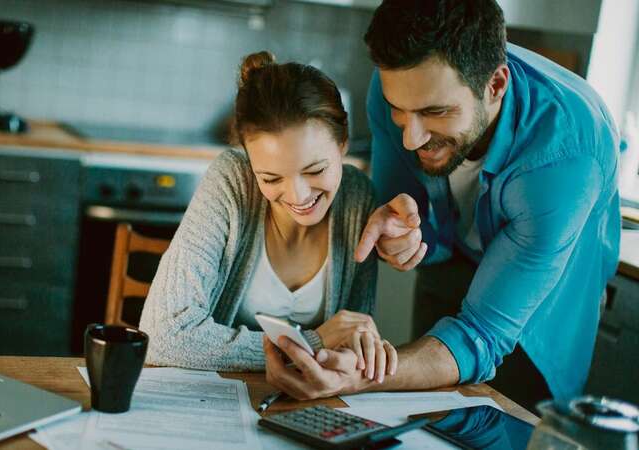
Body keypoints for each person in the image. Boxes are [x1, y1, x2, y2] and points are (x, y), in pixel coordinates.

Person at [264, 0, 621, 412]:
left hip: (544, 306)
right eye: (400, 111)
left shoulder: (564, 161)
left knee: (509, 421)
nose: (412, 139)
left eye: (435, 112)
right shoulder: (394, 94)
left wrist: (358, 376)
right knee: (429, 413)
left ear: (496, 86)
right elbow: (412, 222)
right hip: (454, 261)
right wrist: (407, 239)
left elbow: (482, 337)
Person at [139, 51, 397, 380]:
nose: (298, 196)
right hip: (212, 399)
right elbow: (164, 337)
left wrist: (357, 357)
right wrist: (310, 343)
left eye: (315, 170)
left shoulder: (358, 198)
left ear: (343, 144)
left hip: (303, 406)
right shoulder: (232, 180)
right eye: (271, 179)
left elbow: (352, 344)